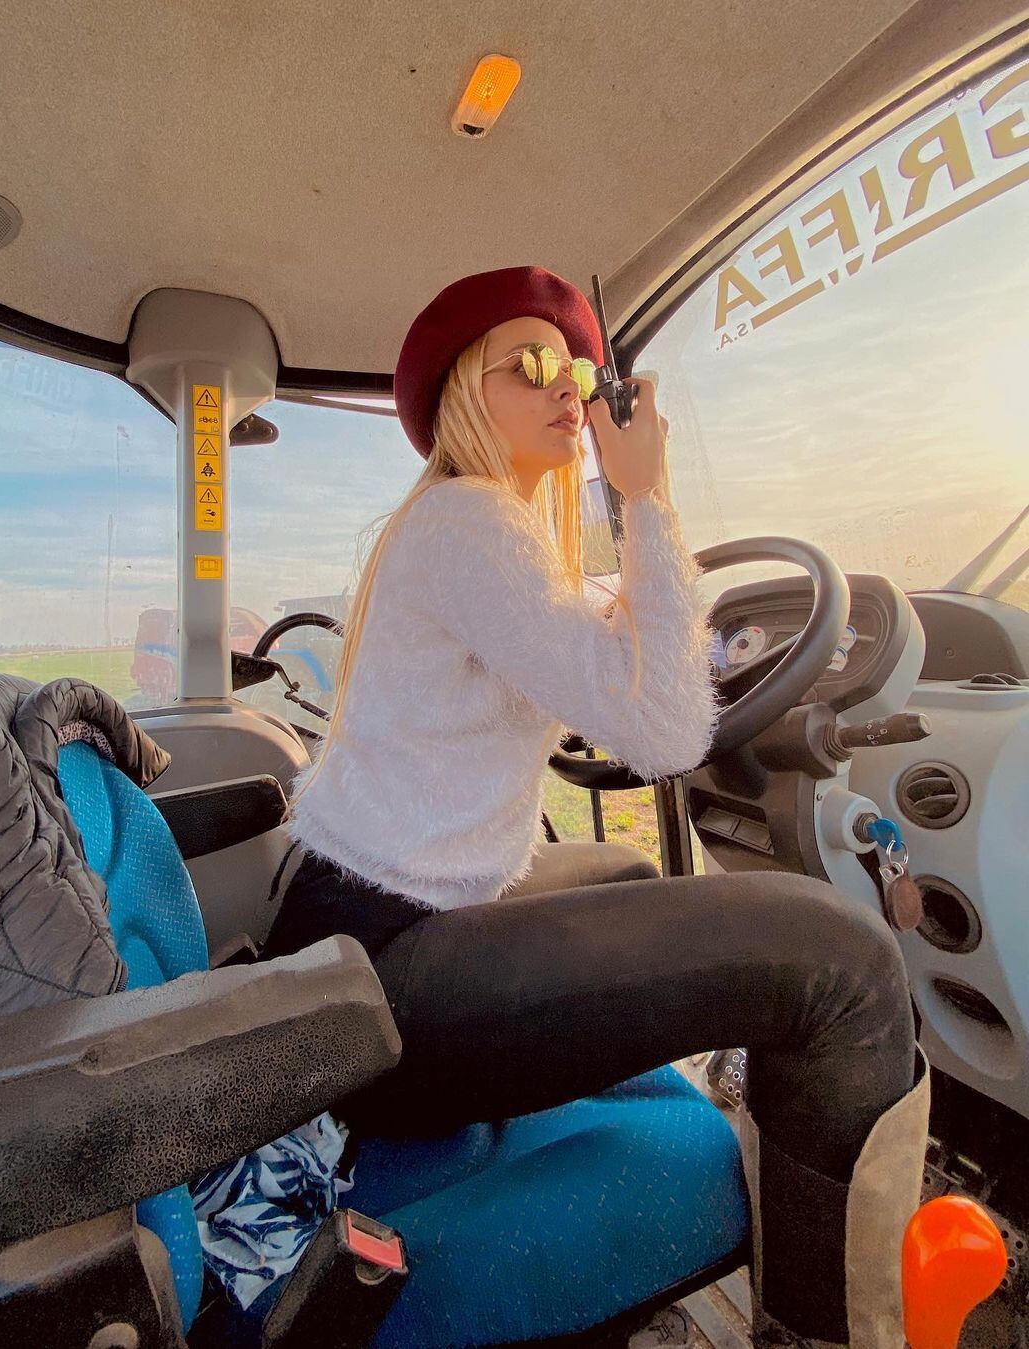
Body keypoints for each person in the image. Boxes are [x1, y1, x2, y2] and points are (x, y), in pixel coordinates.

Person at [261, 265, 929, 1348]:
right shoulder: (473, 524)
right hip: (381, 992)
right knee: (845, 959)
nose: (567, 385)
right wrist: (645, 494)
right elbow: (668, 733)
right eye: (528, 364)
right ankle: (830, 1326)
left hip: (355, 940)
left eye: (572, 365)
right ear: (464, 399)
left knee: (622, 874)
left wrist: (651, 573)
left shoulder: (477, 533)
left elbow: (615, 635)